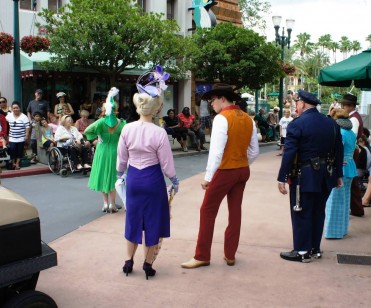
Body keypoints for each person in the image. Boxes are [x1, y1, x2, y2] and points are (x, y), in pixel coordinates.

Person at [181, 83, 259, 269]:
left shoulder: (222, 118)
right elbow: (254, 151)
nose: (211, 104)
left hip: (225, 171)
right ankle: (230, 254)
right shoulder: (248, 119)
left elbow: (216, 152)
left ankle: (202, 255)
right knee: (235, 211)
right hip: (242, 169)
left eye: (213, 100)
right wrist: (242, 162)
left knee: (207, 210)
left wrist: (208, 177)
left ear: (222, 99)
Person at [117, 65, 178, 279]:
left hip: (134, 178)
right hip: (153, 179)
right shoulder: (159, 133)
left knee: (133, 219)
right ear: (157, 108)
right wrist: (174, 180)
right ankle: (148, 264)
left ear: (137, 106)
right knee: (153, 221)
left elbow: (121, 159)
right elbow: (166, 163)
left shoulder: (126, 129)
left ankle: (128, 261)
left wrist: (120, 174)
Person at [276, 89, 343, 263]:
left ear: (303, 103)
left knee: (301, 211)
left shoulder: (297, 124)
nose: (296, 105)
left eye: (297, 102)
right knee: (318, 212)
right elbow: (338, 150)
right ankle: (314, 248)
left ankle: (302, 251)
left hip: (304, 176)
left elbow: (289, 153)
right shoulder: (331, 124)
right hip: (326, 175)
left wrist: (282, 177)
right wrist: (338, 175)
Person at [86, 87, 126, 213]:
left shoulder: (100, 122)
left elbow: (87, 130)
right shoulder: (121, 123)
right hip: (115, 150)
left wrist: (94, 140)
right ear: (116, 109)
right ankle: (113, 204)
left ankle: (105, 204)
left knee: (104, 175)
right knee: (114, 177)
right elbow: (126, 137)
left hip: (102, 150)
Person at [324, 109, 357, 239]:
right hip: (350, 166)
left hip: (341, 168)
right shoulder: (351, 132)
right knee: (344, 200)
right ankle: (342, 230)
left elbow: (336, 150)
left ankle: (333, 232)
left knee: (334, 200)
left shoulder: (340, 132)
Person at [341, 94, 365, 217]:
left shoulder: (354, 119)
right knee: (351, 180)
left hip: (350, 151)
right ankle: (356, 208)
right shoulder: (353, 117)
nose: (342, 107)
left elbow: (351, 137)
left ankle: (357, 209)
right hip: (352, 150)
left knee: (352, 181)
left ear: (350, 106)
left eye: (344, 105)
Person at [6, 101, 30, 170]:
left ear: (19, 108)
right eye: (14, 108)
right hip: (12, 137)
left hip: (21, 137)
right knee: (12, 150)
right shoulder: (9, 115)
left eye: (17, 108)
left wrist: (27, 135)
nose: (15, 109)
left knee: (19, 151)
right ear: (12, 109)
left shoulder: (24, 117)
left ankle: (17, 164)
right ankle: (13, 163)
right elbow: (4, 121)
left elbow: (27, 126)